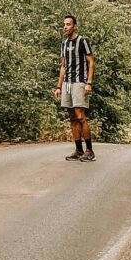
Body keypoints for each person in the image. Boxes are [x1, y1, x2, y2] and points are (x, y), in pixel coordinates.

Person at [54, 13, 95, 161]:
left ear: (75, 26)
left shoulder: (82, 41)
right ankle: (78, 150)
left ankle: (89, 150)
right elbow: (63, 66)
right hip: (67, 84)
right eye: (64, 24)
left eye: (68, 24)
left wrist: (89, 83)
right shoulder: (64, 44)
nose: (65, 27)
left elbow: (91, 62)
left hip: (79, 82)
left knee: (80, 116)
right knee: (72, 117)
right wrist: (59, 86)